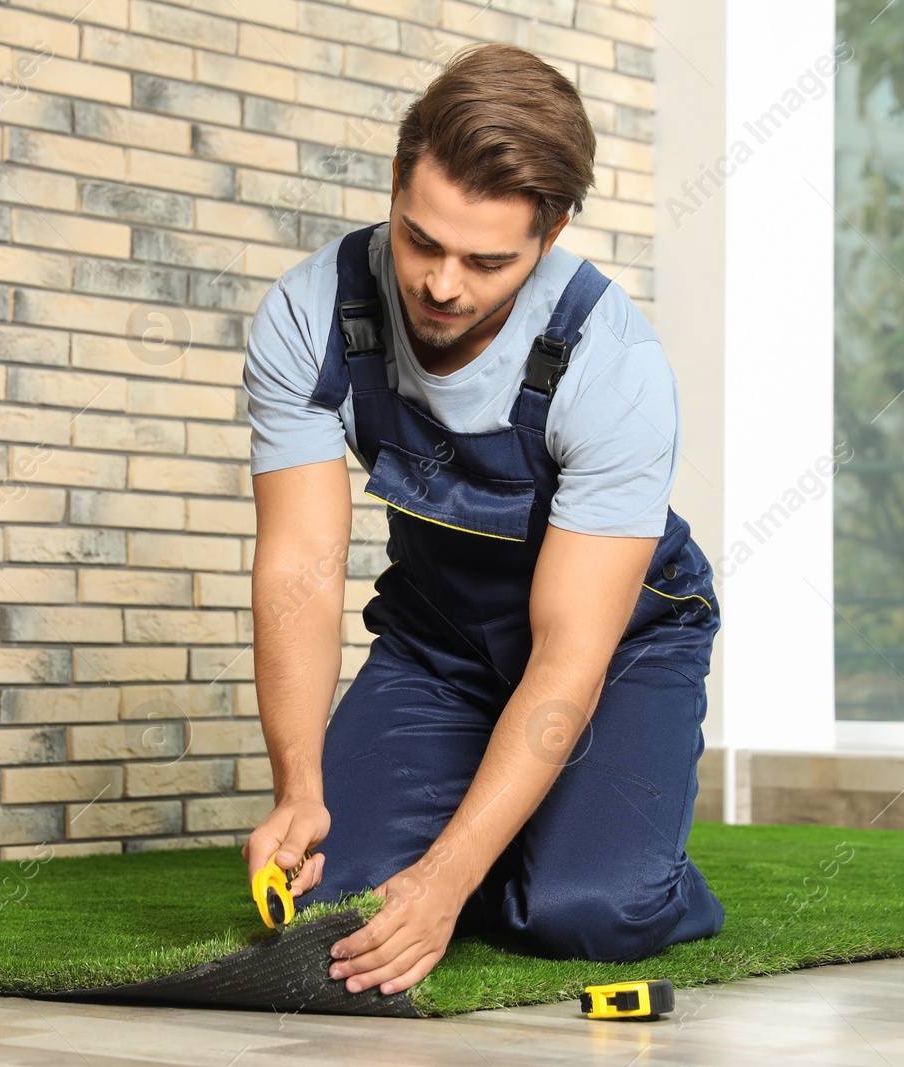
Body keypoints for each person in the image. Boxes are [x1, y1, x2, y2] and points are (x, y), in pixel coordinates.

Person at [239, 42, 724, 1000]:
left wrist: (452, 875)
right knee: (339, 901)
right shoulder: (309, 316)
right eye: (421, 241)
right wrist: (300, 787)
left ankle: (610, 858)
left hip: (617, 649)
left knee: (587, 910)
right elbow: (299, 564)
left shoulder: (613, 365)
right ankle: (512, 836)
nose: (443, 285)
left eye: (486, 260)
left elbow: (568, 655)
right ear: (393, 185)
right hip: (438, 648)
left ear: (552, 232)